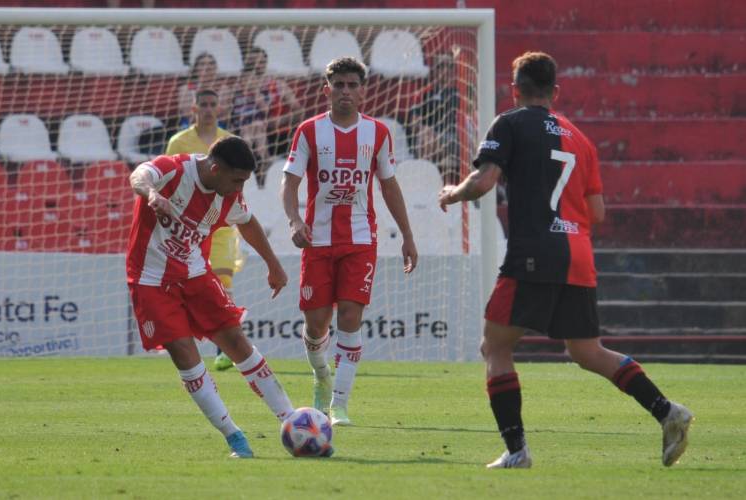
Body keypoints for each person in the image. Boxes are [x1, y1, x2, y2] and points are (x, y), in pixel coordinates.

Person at [437, 51, 693, 469]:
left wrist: (452, 193)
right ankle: (667, 411)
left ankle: (517, 450)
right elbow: (597, 214)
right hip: (577, 255)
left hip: (533, 252)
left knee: (495, 346)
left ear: (514, 89)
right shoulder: (581, 139)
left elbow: (484, 181)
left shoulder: (510, 122)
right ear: (555, 92)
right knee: (587, 351)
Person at [127, 136, 296, 458]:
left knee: (236, 341)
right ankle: (235, 437)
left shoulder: (229, 195)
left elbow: (248, 223)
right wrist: (151, 194)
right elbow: (139, 175)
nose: (239, 188)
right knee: (184, 354)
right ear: (215, 168)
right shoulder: (174, 170)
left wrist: (273, 264)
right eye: (236, 180)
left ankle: (291, 422)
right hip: (150, 280)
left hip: (195, 275)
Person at [281, 57, 418, 426]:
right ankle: (322, 375)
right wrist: (294, 219)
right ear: (326, 90)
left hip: (360, 239)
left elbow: (389, 185)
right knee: (315, 324)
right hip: (318, 240)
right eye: (338, 84)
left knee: (351, 317)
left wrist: (406, 234)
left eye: (351, 85)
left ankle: (339, 404)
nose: (344, 91)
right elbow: (290, 181)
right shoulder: (309, 131)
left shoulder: (377, 133)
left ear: (363, 91)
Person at [167, 89, 241, 371]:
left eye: (213, 104)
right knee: (190, 289)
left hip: (219, 226)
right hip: (187, 228)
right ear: (194, 108)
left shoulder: (229, 141)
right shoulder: (178, 142)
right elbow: (169, 178)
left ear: (218, 108)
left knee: (223, 284)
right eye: (204, 105)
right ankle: (188, 345)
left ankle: (225, 348)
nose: (208, 109)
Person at [230, 47, 301, 184]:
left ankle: (267, 171)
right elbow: (230, 113)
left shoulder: (277, 85)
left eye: (260, 62)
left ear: (266, 63)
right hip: (246, 128)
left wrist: (279, 121)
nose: (256, 65)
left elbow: (299, 111)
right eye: (252, 62)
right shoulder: (237, 87)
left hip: (275, 135)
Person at [409, 54, 461, 184]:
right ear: (434, 70)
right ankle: (423, 185)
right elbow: (414, 122)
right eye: (440, 66)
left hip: (457, 139)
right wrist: (425, 130)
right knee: (423, 137)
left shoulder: (461, 92)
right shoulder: (424, 93)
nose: (445, 70)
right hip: (431, 137)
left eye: (449, 66)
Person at [177, 52, 232, 130]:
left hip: (217, 125)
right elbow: (187, 113)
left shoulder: (224, 88)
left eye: (211, 64)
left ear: (215, 68)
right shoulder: (186, 88)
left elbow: (224, 113)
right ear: (196, 69)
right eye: (202, 64)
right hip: (190, 125)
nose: (207, 67)